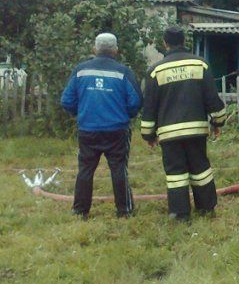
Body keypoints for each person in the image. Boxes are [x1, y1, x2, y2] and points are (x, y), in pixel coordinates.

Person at [141, 26, 226, 221]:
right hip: (196, 131)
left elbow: (149, 107)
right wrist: (217, 123)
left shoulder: (155, 71)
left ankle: (180, 214)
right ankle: (206, 208)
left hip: (169, 135)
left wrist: (149, 135)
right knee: (201, 170)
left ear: (165, 43)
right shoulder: (200, 65)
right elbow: (212, 99)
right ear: (184, 41)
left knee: (176, 174)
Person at [60, 33, 143, 218]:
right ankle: (124, 211)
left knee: (85, 169)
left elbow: (67, 100)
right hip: (117, 130)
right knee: (119, 169)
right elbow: (136, 101)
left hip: (88, 129)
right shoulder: (123, 72)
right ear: (116, 50)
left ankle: (80, 210)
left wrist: (81, 114)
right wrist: (126, 116)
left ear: (94, 49)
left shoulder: (80, 71)